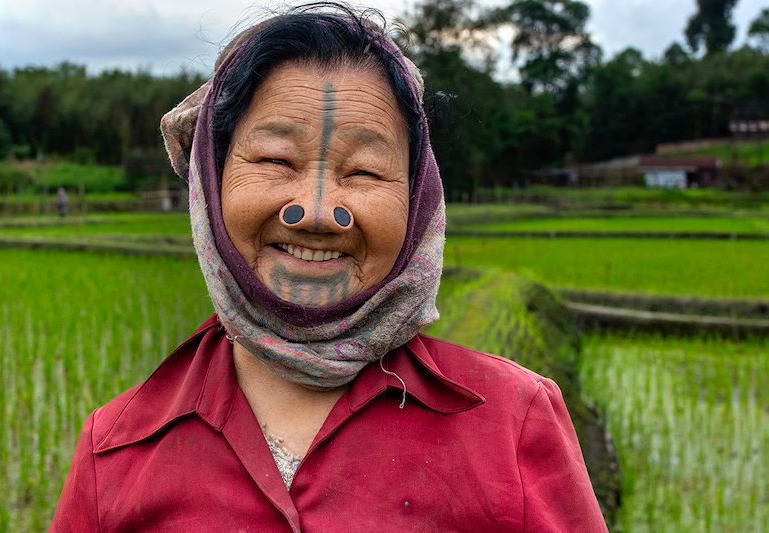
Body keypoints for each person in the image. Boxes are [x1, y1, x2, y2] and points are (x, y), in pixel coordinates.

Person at [51, 5, 607, 531]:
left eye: (363, 171)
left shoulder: (515, 422)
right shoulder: (116, 453)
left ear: (417, 197)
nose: (316, 213)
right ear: (211, 179)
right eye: (274, 160)